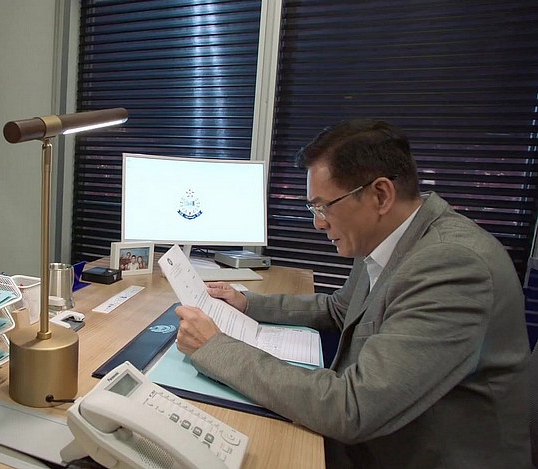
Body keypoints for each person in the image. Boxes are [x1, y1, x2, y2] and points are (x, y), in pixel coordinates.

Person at [175, 119, 531, 468]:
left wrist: (215, 348)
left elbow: (353, 408)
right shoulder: (387, 237)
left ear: (380, 195)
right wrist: (247, 302)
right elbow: (340, 309)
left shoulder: (452, 265)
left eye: (324, 206)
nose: (318, 222)